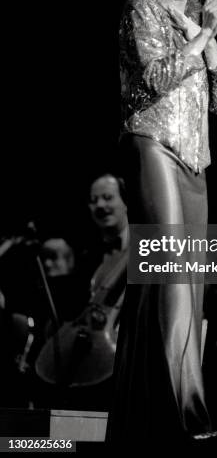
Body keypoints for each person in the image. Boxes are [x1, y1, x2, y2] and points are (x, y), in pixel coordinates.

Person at [106, 0, 217, 447]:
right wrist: (202, 31)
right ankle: (188, 417)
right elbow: (158, 79)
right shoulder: (142, 8)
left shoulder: (194, 25)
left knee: (185, 289)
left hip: (195, 162)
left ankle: (144, 416)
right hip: (154, 147)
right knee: (172, 280)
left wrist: (207, 38)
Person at [33, 173, 130, 411]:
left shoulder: (148, 250)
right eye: (94, 200)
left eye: (108, 198)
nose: (100, 206)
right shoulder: (88, 256)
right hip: (90, 345)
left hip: (126, 352)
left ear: (127, 202)